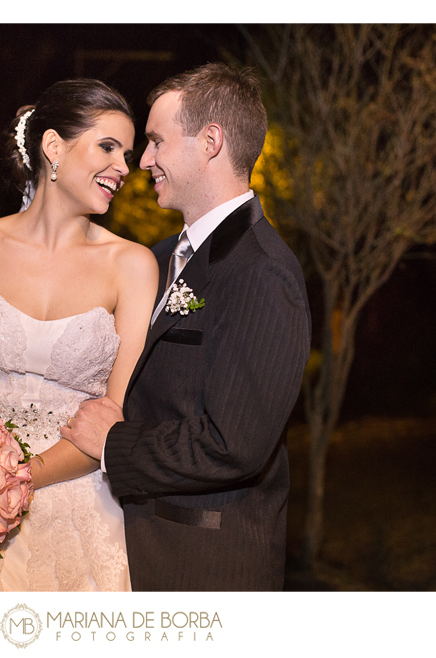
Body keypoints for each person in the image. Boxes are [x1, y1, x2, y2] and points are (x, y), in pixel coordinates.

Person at [60, 63, 312, 591]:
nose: (143, 161)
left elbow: (232, 443)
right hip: (125, 550)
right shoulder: (157, 259)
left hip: (200, 567)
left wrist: (114, 446)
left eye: (155, 142)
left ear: (211, 142)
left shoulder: (262, 272)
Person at [0, 79, 158, 591]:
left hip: (78, 504)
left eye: (127, 154)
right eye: (108, 147)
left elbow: (116, 411)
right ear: (53, 147)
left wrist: (11, 482)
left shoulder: (131, 266)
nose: (125, 168)